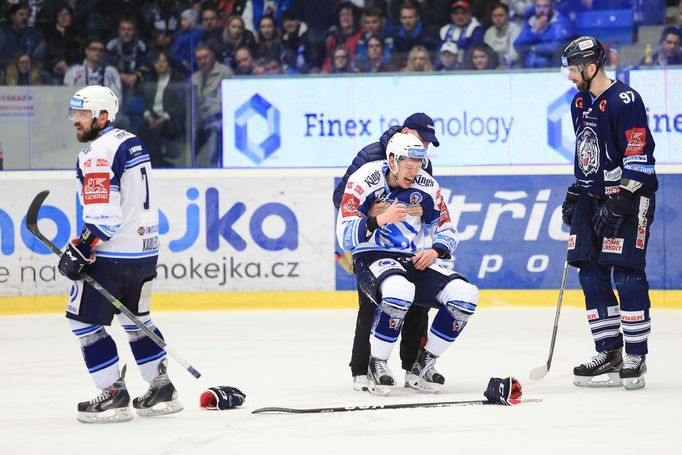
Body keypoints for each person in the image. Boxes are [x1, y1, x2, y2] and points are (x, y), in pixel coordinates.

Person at [58, 85, 182, 423]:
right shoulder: (131, 140)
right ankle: (161, 387)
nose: (75, 121)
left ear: (102, 116)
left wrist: (80, 248)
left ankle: (113, 393)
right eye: (74, 114)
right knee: (136, 319)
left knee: (83, 323)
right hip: (143, 251)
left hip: (112, 257)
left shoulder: (97, 152)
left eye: (82, 114)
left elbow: (105, 218)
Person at [336, 132, 478, 395]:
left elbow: (447, 228)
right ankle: (374, 363)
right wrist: (378, 219)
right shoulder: (364, 179)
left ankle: (422, 364)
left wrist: (435, 250)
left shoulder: (426, 185)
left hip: (409, 259)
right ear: (392, 160)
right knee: (399, 291)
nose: (414, 172)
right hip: (371, 256)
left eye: (417, 166)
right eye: (408, 166)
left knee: (465, 295)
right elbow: (343, 233)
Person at [560, 37, 657, 390]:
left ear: (590, 66)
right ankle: (609, 351)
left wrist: (622, 200)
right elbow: (589, 154)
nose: (569, 75)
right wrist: (577, 190)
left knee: (628, 275)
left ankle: (635, 353)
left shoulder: (625, 101)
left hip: (632, 197)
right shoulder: (578, 102)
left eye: (573, 68)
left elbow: (640, 158)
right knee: (589, 273)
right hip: (593, 196)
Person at [333, 112, 441, 392]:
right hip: (370, 244)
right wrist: (370, 213)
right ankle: (362, 368)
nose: (425, 149)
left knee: (418, 304)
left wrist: (422, 210)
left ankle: (414, 366)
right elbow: (340, 196)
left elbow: (427, 198)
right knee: (370, 305)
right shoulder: (370, 155)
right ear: (406, 132)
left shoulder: (419, 161)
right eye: (422, 140)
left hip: (406, 245)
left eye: (428, 145)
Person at [513, 0, 572, 68]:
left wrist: (533, 48)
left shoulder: (560, 22)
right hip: (528, 69)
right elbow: (517, 45)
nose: (541, 10)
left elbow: (556, 48)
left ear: (552, 7)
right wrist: (534, 30)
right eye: (538, 6)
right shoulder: (531, 21)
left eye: (545, 6)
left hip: (550, 70)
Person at [438, 0, 484, 66]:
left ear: (469, 14)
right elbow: (439, 52)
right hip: (447, 66)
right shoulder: (444, 30)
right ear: (451, 15)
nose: (460, 16)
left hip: (468, 67)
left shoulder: (475, 28)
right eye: (456, 13)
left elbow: (474, 50)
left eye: (463, 13)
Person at [484, 2, 520, 68]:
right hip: (493, 65)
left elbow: (514, 55)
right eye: (494, 16)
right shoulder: (489, 32)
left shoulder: (515, 29)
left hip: (512, 66)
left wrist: (503, 62)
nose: (498, 19)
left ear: (507, 15)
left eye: (501, 15)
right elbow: (487, 54)